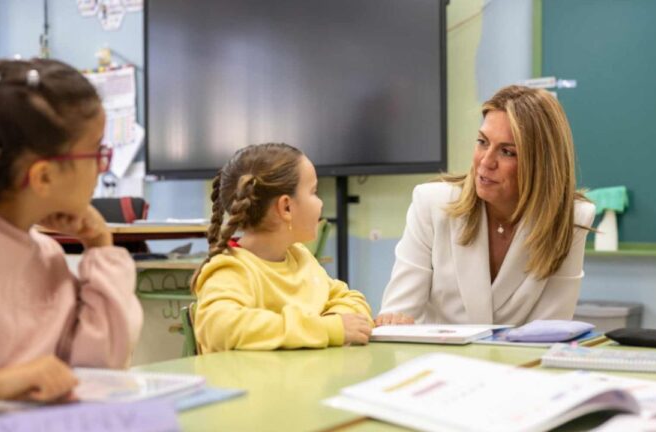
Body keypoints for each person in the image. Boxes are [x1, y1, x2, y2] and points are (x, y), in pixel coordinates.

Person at [376, 85, 596, 326]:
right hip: (436, 361)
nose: (486, 161)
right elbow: (398, 316)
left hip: (518, 364)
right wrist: (394, 323)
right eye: (482, 142)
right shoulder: (431, 203)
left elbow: (551, 332)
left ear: (540, 164)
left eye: (507, 152)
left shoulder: (571, 218)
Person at [0, 58, 144, 400]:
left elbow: (101, 364)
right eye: (95, 152)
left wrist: (99, 247)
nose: (100, 167)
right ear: (44, 177)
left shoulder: (47, 256)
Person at [192, 143, 373, 351]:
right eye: (314, 192)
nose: (320, 203)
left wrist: (335, 320)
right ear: (286, 207)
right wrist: (323, 329)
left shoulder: (300, 258)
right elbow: (219, 328)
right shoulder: (232, 269)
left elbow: (352, 300)